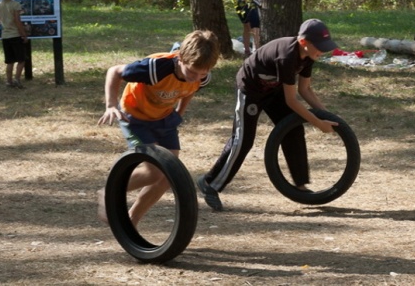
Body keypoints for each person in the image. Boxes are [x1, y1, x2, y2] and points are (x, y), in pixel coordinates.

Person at [197, 18, 339, 211]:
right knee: (243, 140)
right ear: (304, 42)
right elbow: (292, 101)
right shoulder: (287, 56)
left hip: (273, 88)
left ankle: (300, 185)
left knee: (293, 130)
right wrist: (317, 123)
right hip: (251, 89)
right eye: (320, 46)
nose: (323, 51)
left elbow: (306, 90)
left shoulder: (308, 56)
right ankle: (210, 183)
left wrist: (325, 115)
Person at [97, 30, 220, 226]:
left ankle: (132, 220)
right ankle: (109, 191)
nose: (195, 77)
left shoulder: (202, 76)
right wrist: (111, 105)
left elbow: (191, 88)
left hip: (164, 119)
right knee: (154, 171)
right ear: (181, 57)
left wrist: (179, 112)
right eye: (191, 72)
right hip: (135, 118)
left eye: (201, 74)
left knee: (168, 175)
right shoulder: (154, 68)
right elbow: (115, 71)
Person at [0, 0, 28, 89]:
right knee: (21, 60)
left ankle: (9, 82)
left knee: (9, 61)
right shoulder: (16, 5)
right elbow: (18, 21)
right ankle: (17, 79)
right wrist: (24, 34)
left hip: (5, 37)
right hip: (16, 36)